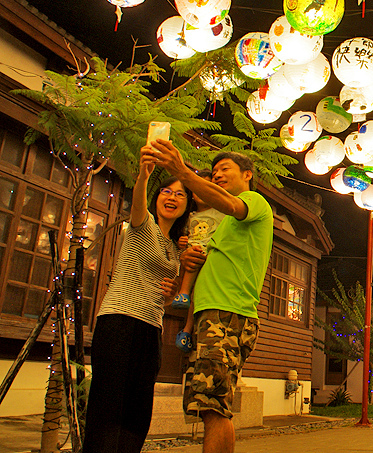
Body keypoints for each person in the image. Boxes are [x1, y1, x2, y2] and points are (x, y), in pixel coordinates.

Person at [147, 142, 273, 453]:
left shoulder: (253, 202)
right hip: (209, 315)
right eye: (214, 171)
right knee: (209, 406)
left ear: (247, 174)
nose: (216, 174)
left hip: (227, 313)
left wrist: (180, 171)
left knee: (213, 406)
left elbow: (230, 205)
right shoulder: (221, 225)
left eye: (224, 169)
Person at [83, 148, 192, 453]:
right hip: (119, 320)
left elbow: (170, 297)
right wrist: (144, 176)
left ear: (187, 205)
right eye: (167, 192)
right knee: (109, 403)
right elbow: (138, 205)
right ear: (157, 198)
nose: (172, 197)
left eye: (180, 194)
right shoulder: (142, 225)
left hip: (151, 328)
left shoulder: (174, 247)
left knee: (138, 408)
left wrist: (171, 294)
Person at [173, 170, 226, 353]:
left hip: (211, 256)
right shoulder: (190, 217)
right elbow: (183, 237)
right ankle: (183, 294)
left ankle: (188, 329)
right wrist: (182, 243)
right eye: (198, 189)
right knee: (192, 268)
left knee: (199, 296)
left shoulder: (221, 212)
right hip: (194, 254)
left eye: (207, 188)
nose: (202, 192)